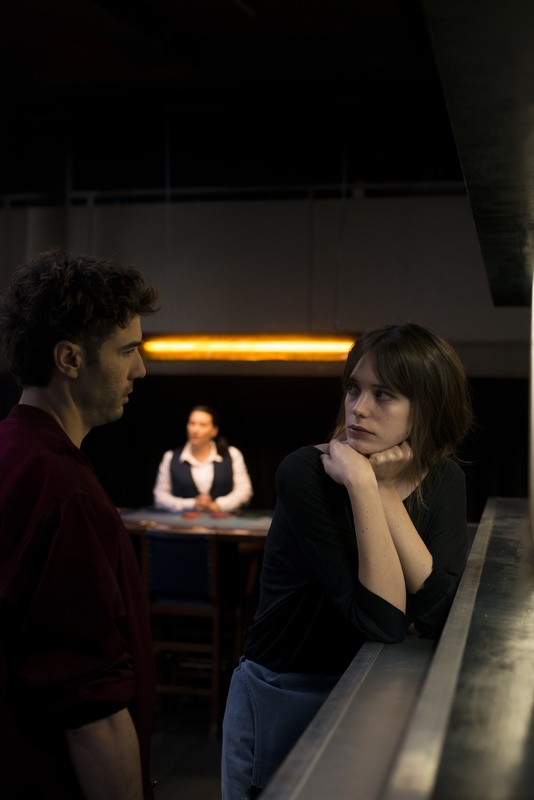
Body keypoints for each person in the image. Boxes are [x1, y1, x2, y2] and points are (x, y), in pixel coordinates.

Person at [221, 322, 474, 799]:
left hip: (370, 694)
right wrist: (360, 483)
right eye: (354, 388)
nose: (358, 407)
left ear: (426, 406)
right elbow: (384, 620)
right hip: (284, 691)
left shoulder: (444, 480)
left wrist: (382, 490)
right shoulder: (305, 472)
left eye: (384, 395)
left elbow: (442, 615)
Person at [0, 248, 160, 799]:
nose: (140, 369)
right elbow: (92, 710)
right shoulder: (67, 495)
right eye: (128, 350)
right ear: (70, 358)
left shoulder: (11, 451)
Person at [153, 405, 253, 513]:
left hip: (224, 520)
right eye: (192, 423)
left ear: (214, 431)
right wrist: (191, 504)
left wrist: (217, 505)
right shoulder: (170, 457)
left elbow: (244, 491)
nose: (195, 430)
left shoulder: (232, 454)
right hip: (183, 520)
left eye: (202, 425)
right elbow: (160, 496)